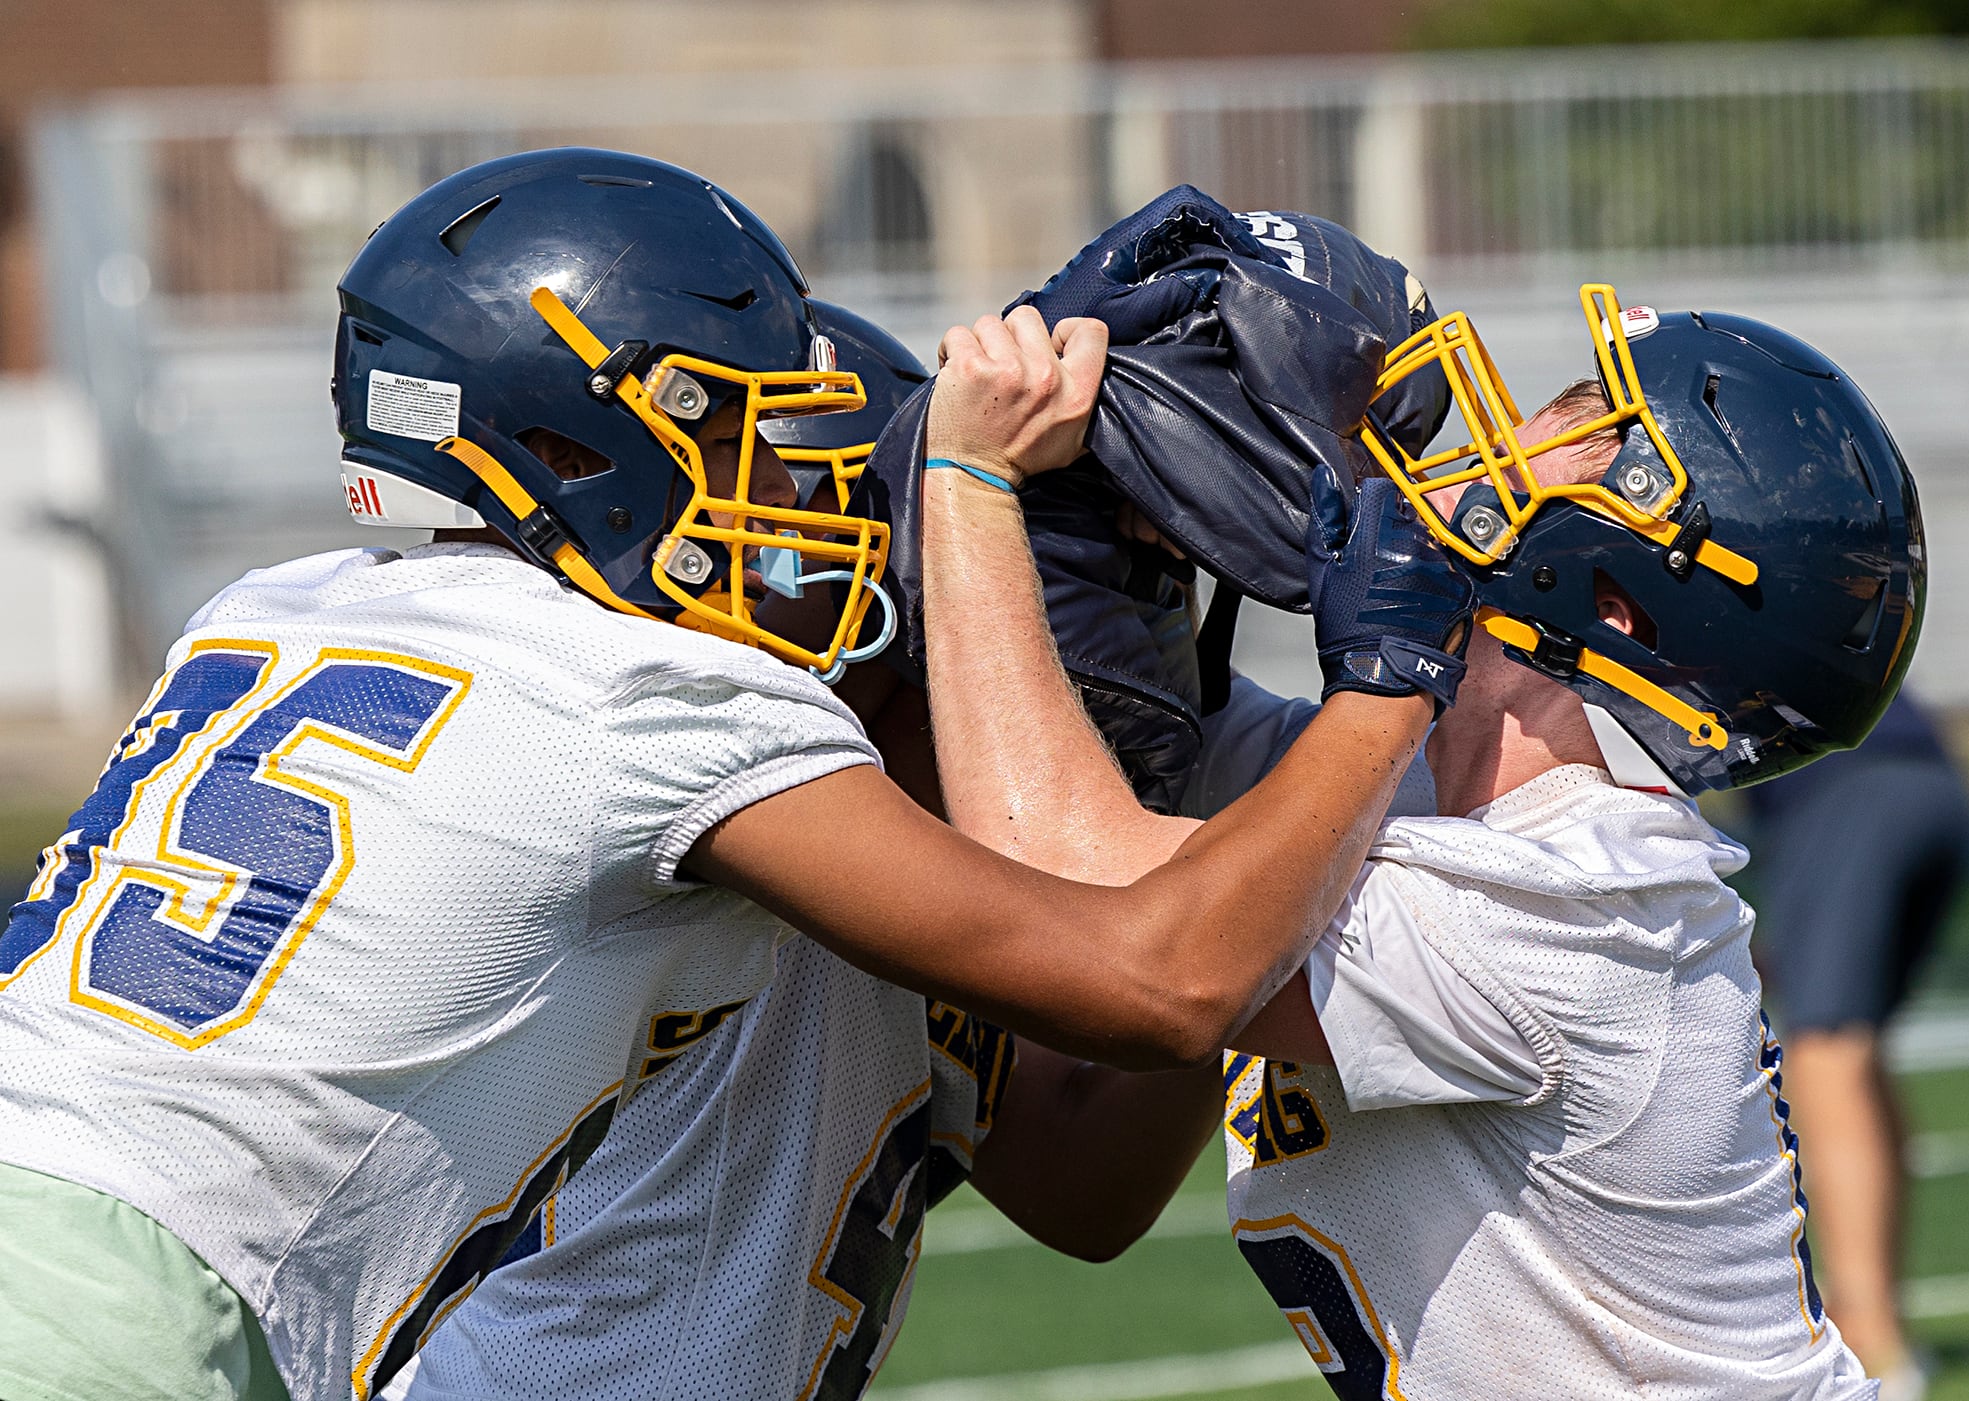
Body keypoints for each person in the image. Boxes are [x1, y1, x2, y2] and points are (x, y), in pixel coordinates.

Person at [0, 148, 1464, 1401]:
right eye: (748, 437)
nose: (795, 514)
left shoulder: (270, 609)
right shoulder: (675, 704)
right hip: (118, 1316)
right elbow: (1155, 982)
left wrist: (1144, 752)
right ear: (574, 435)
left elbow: (1086, 1171)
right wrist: (1379, 680)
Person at [913, 281, 1924, 1399]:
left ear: (1615, 602)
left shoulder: (1577, 907)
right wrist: (1120, 518)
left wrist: (967, 477)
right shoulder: (1471, 816)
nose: (1468, 468)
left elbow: (1059, 871)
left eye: (1538, 446)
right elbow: (1168, 744)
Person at [386, 302, 1225, 1401]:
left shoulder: (888, 862)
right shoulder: (689, 780)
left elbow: (1085, 1185)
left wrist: (1153, 816)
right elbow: (1156, 986)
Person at [1743, 689, 1969, 1401]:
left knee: (1825, 1049)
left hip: (1848, 789)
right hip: (1936, 785)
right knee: (1857, 1051)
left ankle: (1870, 1333)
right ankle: (1883, 1315)